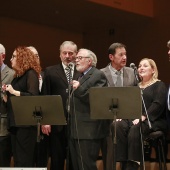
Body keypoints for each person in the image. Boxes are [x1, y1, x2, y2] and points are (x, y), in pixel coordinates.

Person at [112, 58, 168, 170]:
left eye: (145, 66)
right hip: (134, 119)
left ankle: (133, 164)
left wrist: (143, 116)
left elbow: (158, 104)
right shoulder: (135, 86)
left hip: (152, 120)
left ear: (153, 70)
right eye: (140, 65)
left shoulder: (159, 85)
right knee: (117, 125)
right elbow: (128, 104)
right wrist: (122, 115)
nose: (141, 68)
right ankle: (123, 161)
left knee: (135, 128)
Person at [41, 41, 80, 170]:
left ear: (76, 54)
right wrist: (45, 121)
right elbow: (45, 96)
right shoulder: (50, 71)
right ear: (60, 54)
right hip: (56, 122)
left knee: (74, 160)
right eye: (65, 53)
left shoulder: (82, 72)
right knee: (56, 160)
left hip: (76, 122)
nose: (67, 56)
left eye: (71, 53)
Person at [70, 48, 109, 170]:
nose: (77, 60)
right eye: (76, 58)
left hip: (89, 129)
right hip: (75, 128)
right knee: (77, 165)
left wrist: (79, 88)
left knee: (87, 165)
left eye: (80, 58)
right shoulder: (79, 75)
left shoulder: (98, 75)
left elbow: (96, 99)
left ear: (90, 61)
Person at [2, 46, 41, 167]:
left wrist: (14, 92)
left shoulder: (31, 73)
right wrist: (6, 95)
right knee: (18, 160)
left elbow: (33, 96)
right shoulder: (18, 76)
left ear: (21, 58)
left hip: (26, 125)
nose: (10, 59)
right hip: (15, 123)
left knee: (24, 160)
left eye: (13, 56)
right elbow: (14, 100)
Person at [100, 42, 137, 170]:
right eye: (121, 55)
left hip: (128, 119)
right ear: (111, 57)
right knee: (110, 150)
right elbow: (100, 100)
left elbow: (135, 97)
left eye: (125, 54)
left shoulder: (132, 72)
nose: (124, 57)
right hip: (108, 119)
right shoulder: (101, 73)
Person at [0, 44, 15, 167]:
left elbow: (13, 101)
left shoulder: (12, 74)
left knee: (3, 162)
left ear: (3, 56)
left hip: (3, 126)